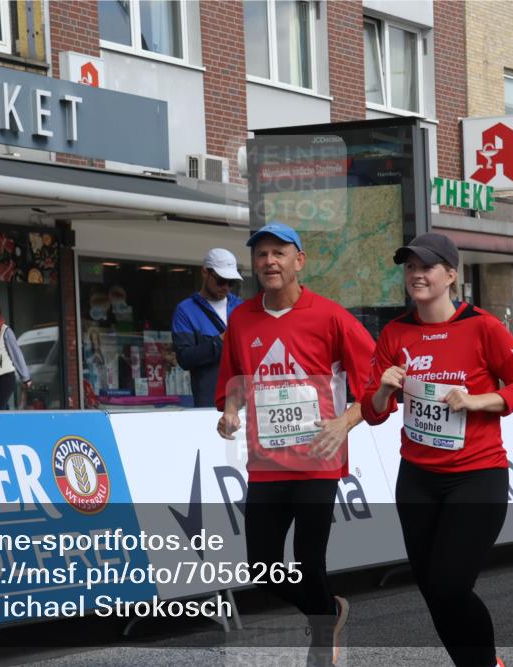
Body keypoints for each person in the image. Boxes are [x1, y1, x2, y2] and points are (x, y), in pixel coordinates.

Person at [361, 233, 513, 667]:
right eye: (410, 268)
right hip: (418, 478)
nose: (417, 275)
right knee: (431, 589)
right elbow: (371, 411)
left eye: (427, 267)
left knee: (449, 585)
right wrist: (383, 391)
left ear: (451, 275)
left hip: (476, 475)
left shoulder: (482, 326)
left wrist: (477, 400)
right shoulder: (396, 332)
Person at [215, 223, 374, 665]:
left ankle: (322, 638)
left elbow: (376, 384)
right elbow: (234, 379)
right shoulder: (242, 319)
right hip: (266, 464)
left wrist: (345, 422)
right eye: (261, 254)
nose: (269, 261)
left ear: (298, 261)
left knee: (308, 560)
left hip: (318, 462)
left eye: (278, 253)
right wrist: (230, 411)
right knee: (261, 570)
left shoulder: (331, 316)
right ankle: (329, 610)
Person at [172, 248, 244, 407]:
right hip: (210, 404)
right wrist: (220, 341)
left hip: (244, 400)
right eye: (221, 280)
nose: (225, 287)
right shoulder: (185, 310)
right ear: (205, 272)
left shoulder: (241, 307)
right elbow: (184, 358)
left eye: (231, 282)